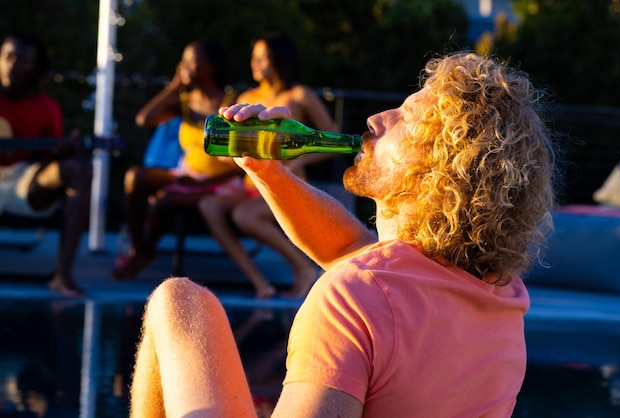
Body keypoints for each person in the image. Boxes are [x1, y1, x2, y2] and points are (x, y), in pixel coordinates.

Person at [129, 51, 558, 417]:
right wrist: (267, 171)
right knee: (185, 303)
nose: (375, 118)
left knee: (175, 302)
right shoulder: (502, 300)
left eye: (404, 118)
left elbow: (361, 277)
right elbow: (351, 249)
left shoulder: (354, 299)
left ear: (438, 169)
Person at [198, 33, 336, 299]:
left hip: (288, 185)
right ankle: (260, 282)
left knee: (244, 216)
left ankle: (304, 269)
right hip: (252, 186)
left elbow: (330, 138)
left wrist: (299, 161)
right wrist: (230, 155)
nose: (255, 63)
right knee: (209, 205)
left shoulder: (299, 96)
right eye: (254, 57)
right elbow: (236, 144)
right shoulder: (247, 96)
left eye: (262, 58)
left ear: (278, 60)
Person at [110, 39, 239, 280]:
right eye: (184, 60)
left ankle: (144, 254)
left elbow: (240, 164)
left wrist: (202, 184)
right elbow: (144, 119)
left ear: (211, 66)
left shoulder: (230, 103)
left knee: (165, 201)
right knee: (135, 177)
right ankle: (141, 250)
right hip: (186, 175)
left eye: (193, 60)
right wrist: (175, 85)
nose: (186, 65)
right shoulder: (184, 103)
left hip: (220, 182)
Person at [0, 31, 92, 298]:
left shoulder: (47, 108)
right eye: (7, 57)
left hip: (22, 180)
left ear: (36, 67)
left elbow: (44, 163)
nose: (12, 65)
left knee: (79, 167)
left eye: (23, 60)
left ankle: (62, 277)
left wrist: (59, 153)